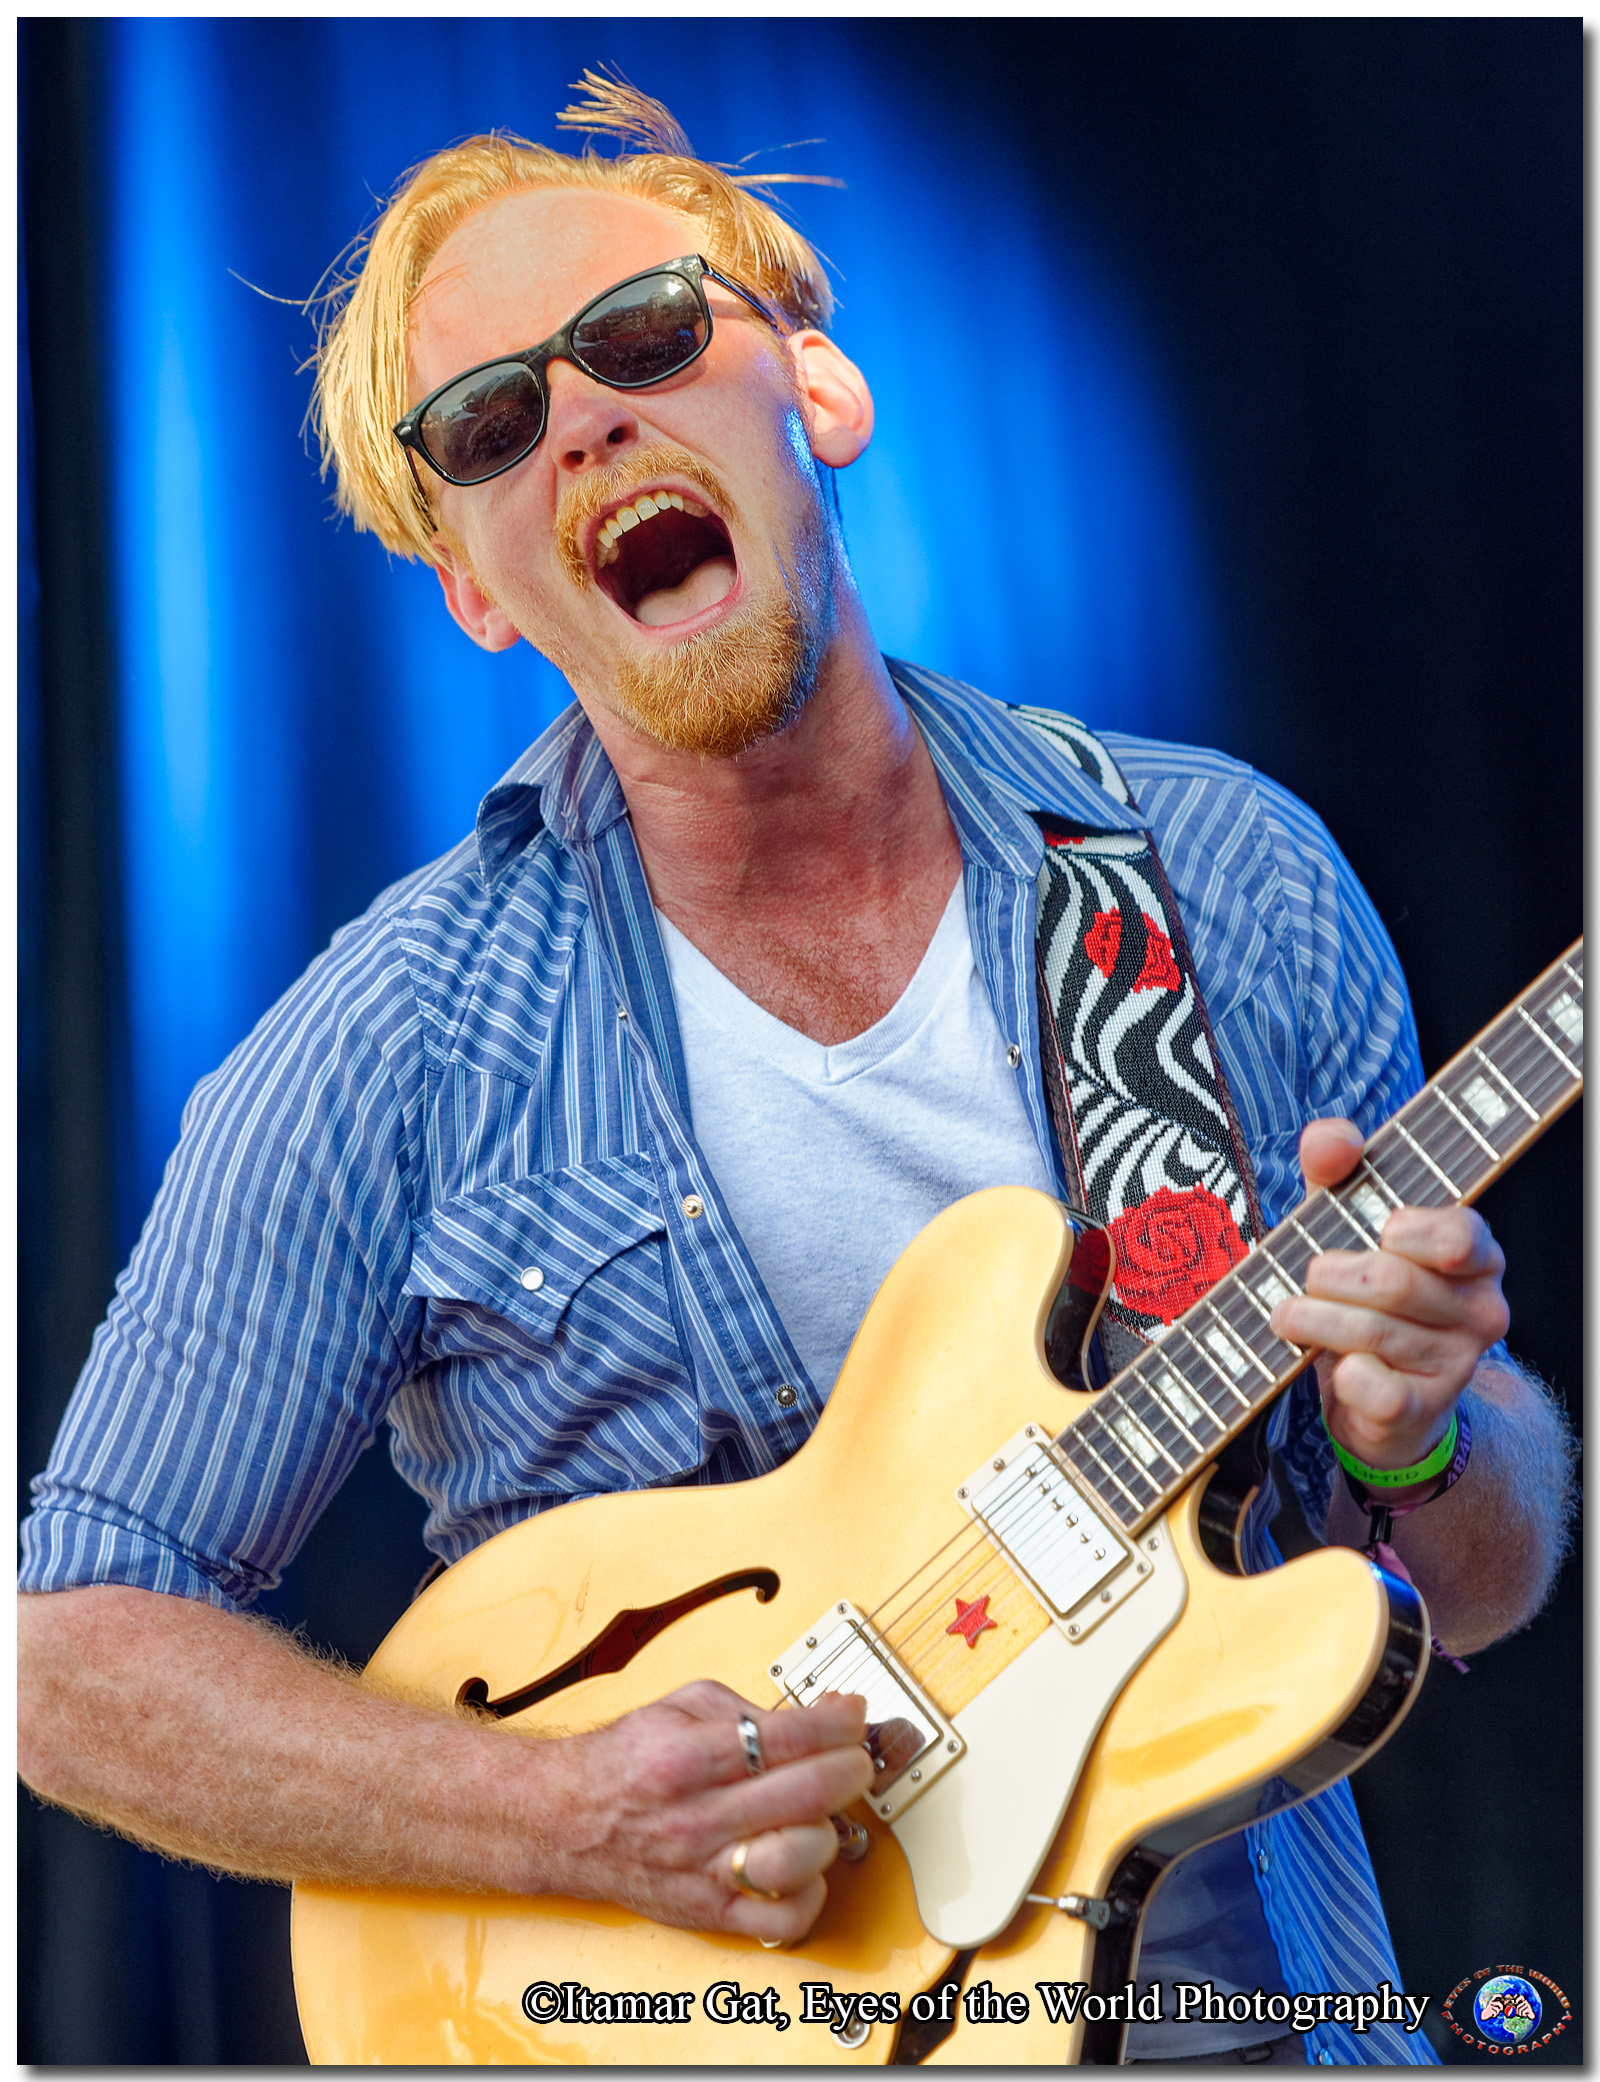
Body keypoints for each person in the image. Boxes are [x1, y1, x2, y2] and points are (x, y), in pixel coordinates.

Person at [17, 77, 1574, 2066]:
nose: (584, 423)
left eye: (642, 335)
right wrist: (562, 1818)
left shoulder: (1222, 873)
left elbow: (1475, 1583)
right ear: (474, 586)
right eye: (488, 425)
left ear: (817, 390)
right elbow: (70, 1662)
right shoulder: (392, 1042)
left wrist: (1424, 1431)